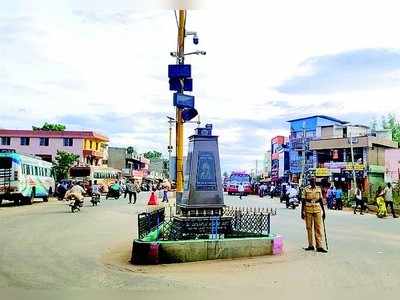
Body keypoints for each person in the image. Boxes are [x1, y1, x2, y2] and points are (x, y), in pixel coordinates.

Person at [301, 177, 327, 253]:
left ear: (315, 181)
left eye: (314, 181)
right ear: (309, 182)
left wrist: (324, 211)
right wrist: (302, 212)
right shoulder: (306, 189)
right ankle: (310, 245)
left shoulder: (319, 189)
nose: (313, 182)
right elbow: (303, 200)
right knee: (309, 228)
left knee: (318, 227)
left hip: (317, 210)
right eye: (311, 181)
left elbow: (320, 200)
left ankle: (319, 246)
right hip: (308, 210)